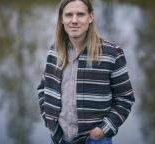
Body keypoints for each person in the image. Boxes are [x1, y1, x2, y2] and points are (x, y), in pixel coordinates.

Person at [37, 0, 135, 143]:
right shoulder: (54, 52)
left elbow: (125, 99)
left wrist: (103, 130)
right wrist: (49, 119)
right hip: (58, 138)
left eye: (80, 14)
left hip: (94, 140)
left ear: (90, 17)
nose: (74, 20)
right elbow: (43, 88)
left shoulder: (112, 54)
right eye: (69, 15)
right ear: (61, 19)